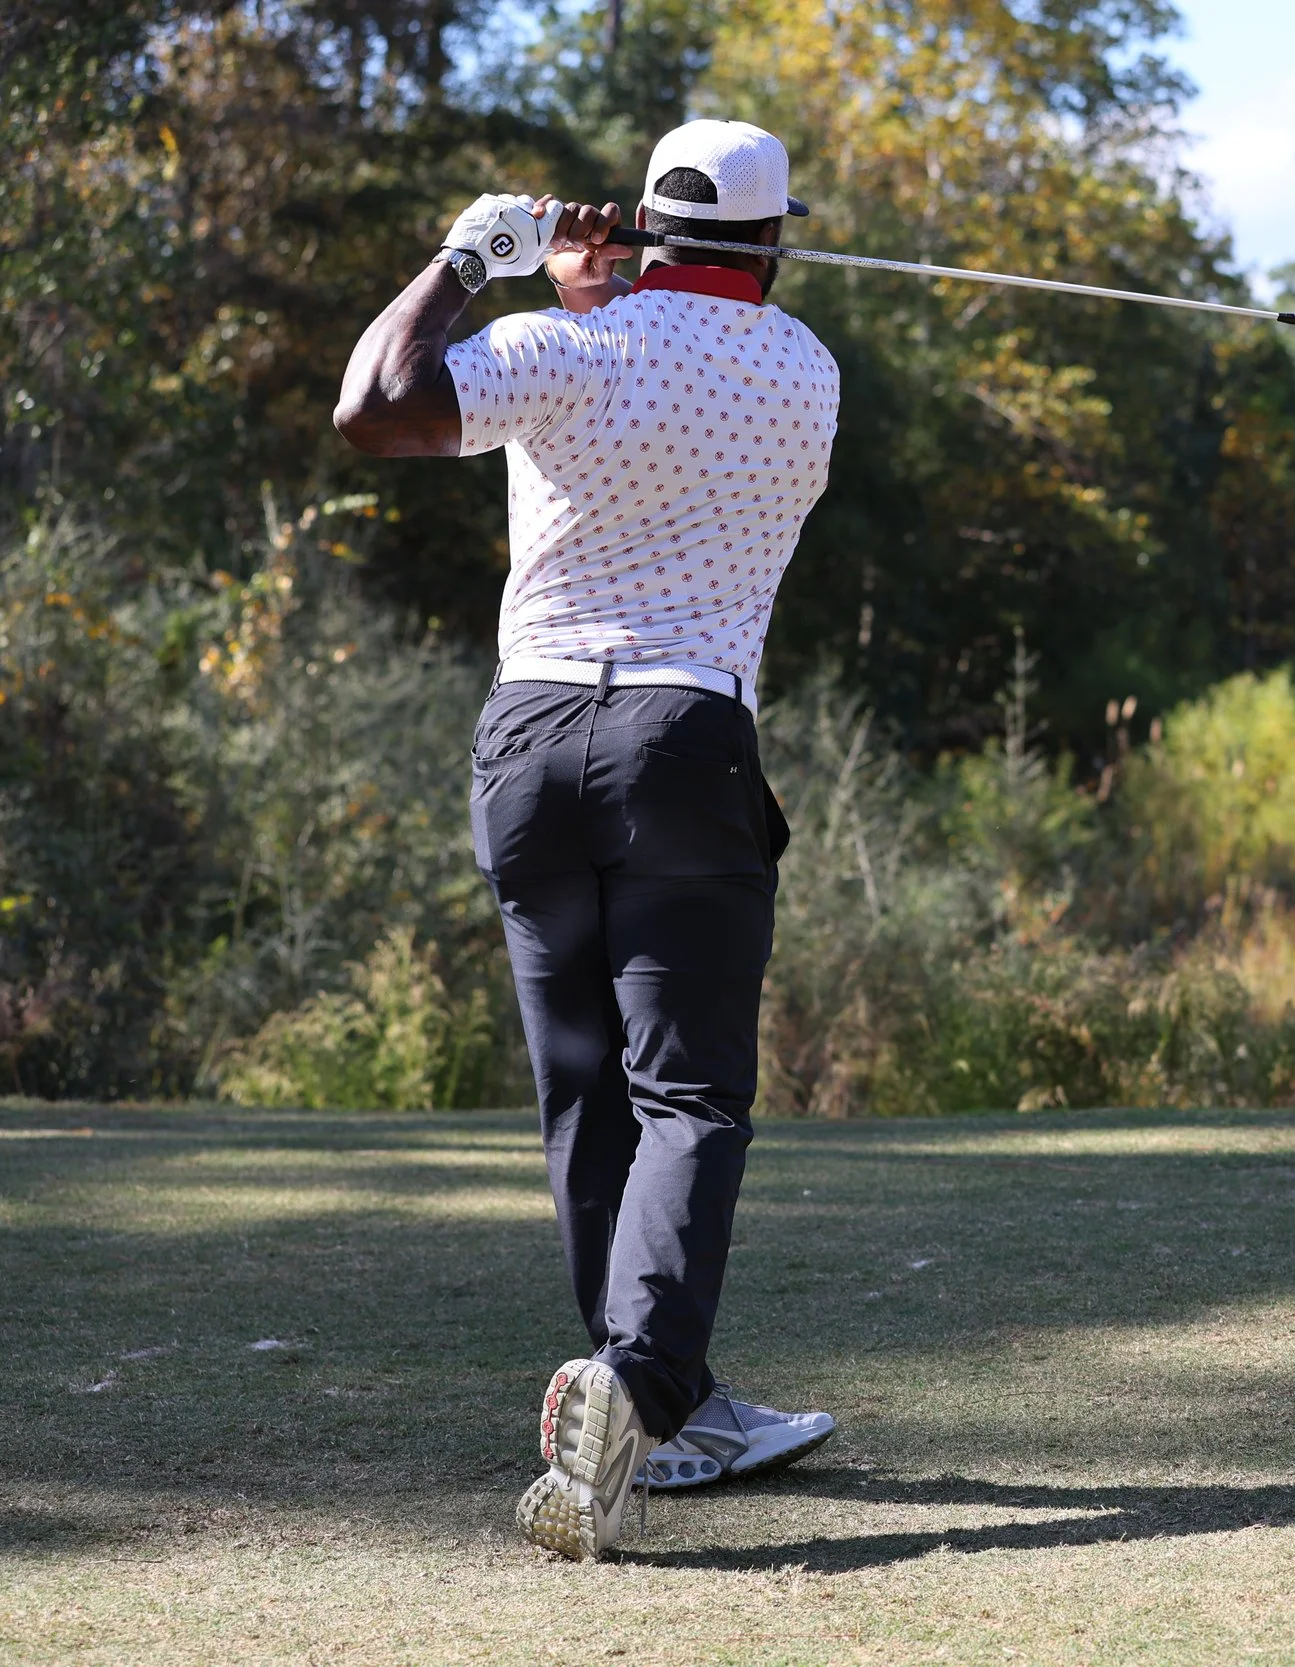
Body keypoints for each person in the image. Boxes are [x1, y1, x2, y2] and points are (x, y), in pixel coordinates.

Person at [334, 119, 841, 1560]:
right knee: (686, 1098)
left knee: (585, 1096)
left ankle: (644, 1399)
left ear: (652, 231)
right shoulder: (807, 370)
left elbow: (375, 406)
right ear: (776, 237)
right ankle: (645, 1391)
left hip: (534, 740)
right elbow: (677, 386)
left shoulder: (567, 356)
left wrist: (468, 262)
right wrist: (587, 293)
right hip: (685, 739)